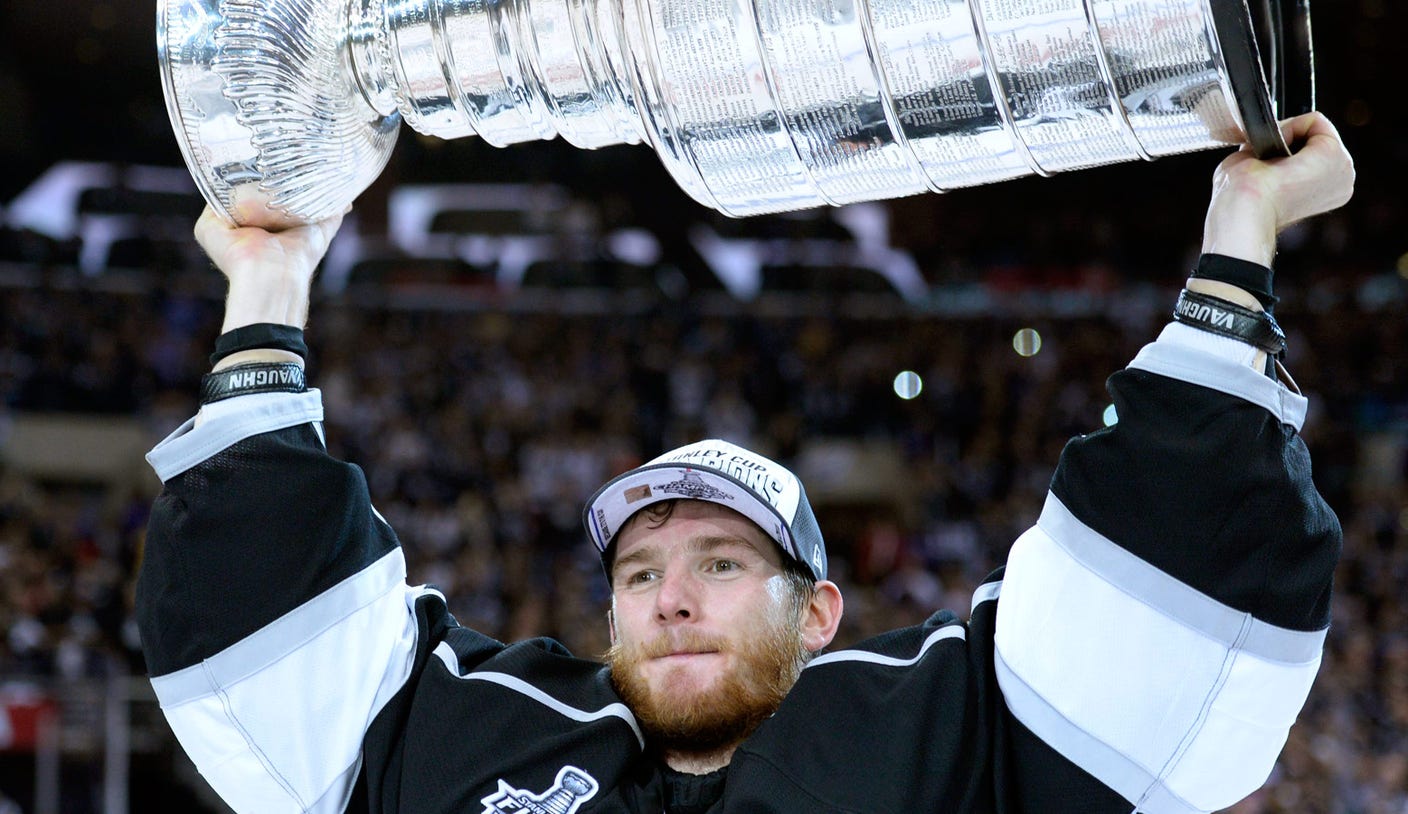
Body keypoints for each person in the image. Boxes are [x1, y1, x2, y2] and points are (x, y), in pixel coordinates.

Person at [136, 112, 1355, 814]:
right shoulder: (470, 732)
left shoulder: (948, 730)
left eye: (721, 560)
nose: (669, 594)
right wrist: (269, 280)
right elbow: (260, 634)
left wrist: (1240, 227)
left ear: (819, 608)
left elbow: (1172, 600)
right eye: (639, 573)